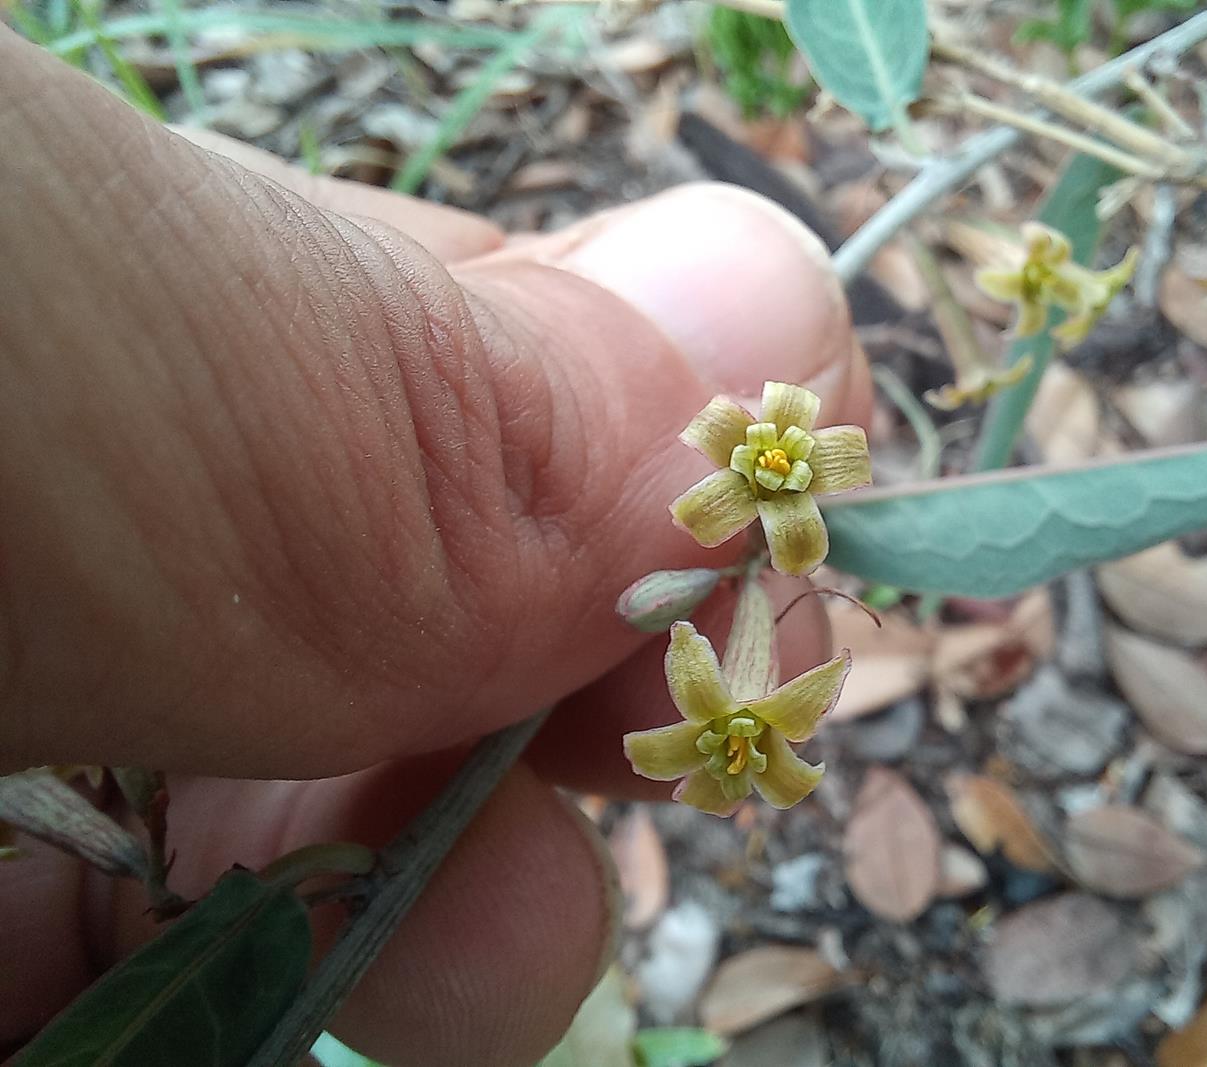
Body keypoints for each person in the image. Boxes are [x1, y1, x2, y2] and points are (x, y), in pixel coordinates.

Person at [0, 24, 871, 1067]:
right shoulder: (733, 484)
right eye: (750, 740)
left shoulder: (772, 506)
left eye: (745, 748)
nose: (780, 465)